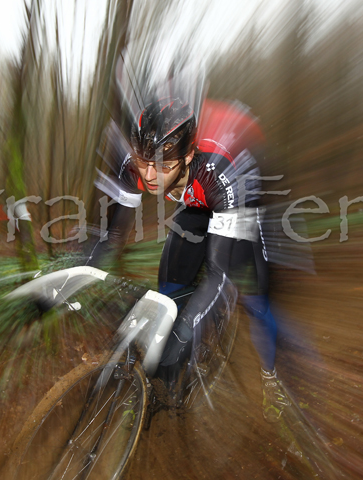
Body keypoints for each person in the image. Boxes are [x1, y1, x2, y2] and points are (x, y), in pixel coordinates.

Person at [86, 96, 290, 423]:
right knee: (167, 290)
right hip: (196, 205)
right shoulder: (133, 161)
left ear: (188, 155)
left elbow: (220, 274)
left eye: (164, 166)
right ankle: (162, 381)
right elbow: (109, 237)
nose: (151, 175)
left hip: (237, 205)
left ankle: (270, 374)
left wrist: (185, 330)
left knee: (258, 298)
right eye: (144, 162)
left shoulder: (218, 170)